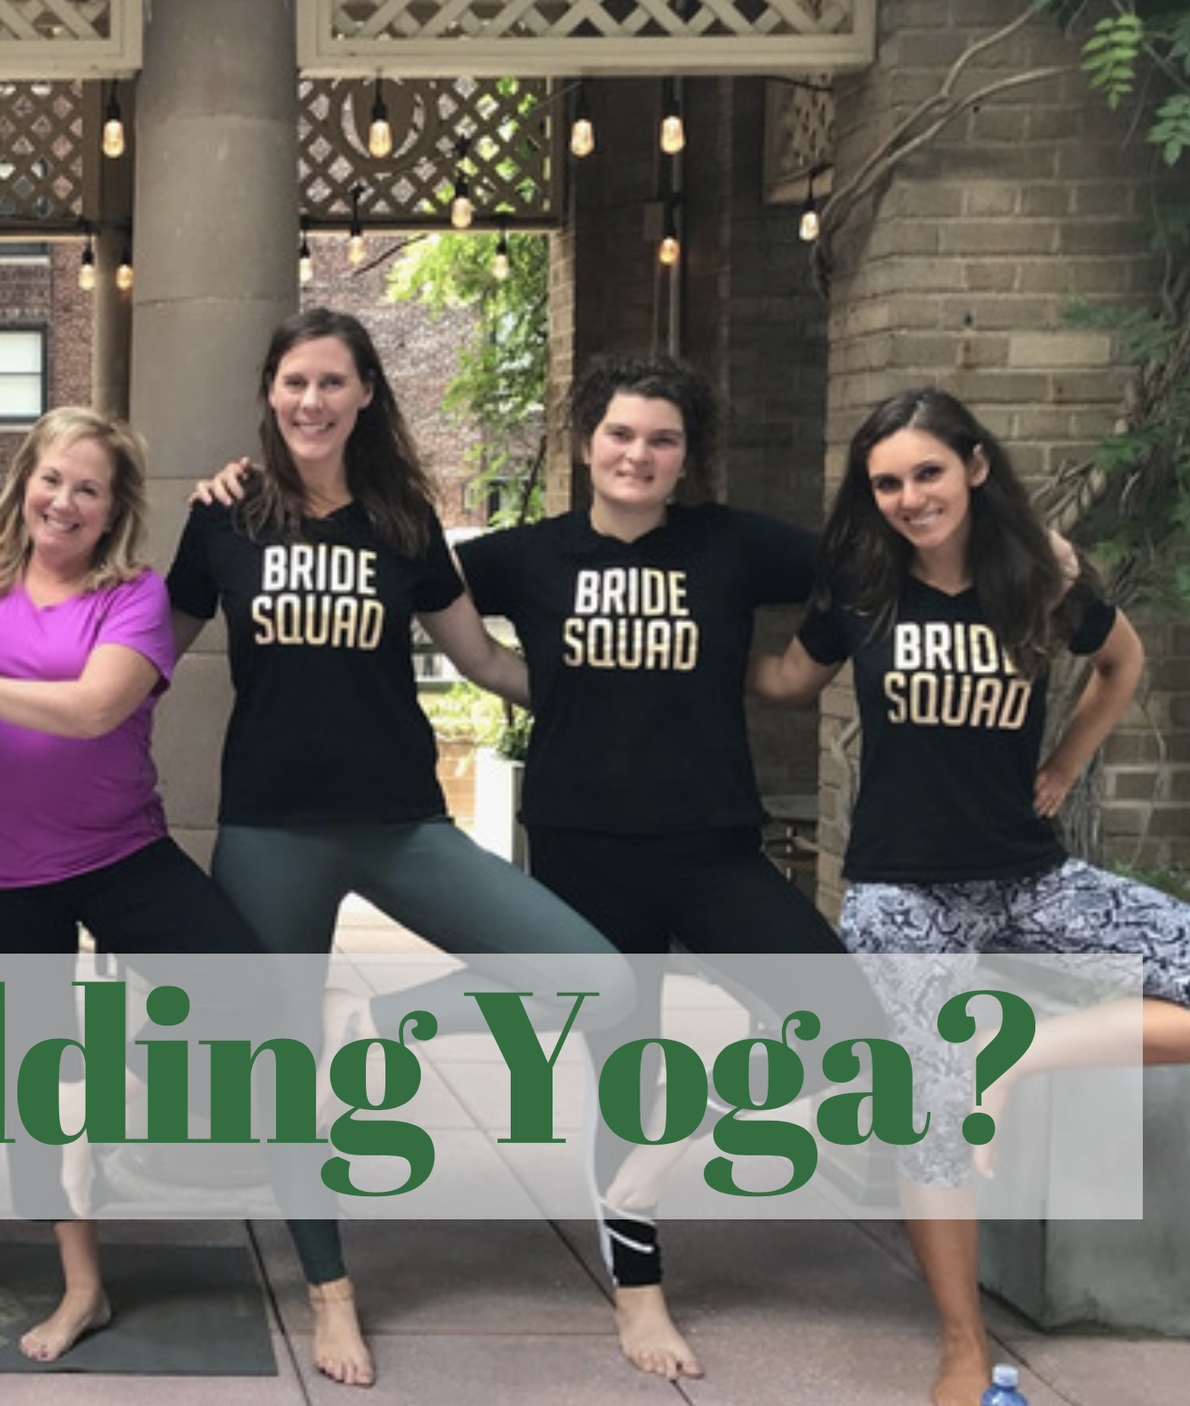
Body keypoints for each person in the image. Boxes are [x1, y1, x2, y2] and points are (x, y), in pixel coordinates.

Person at [171, 307, 631, 1387]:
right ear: (269, 390)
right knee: (279, 1078)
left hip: (400, 822)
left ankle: (390, 1014)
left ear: (366, 392)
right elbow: (147, 646)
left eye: (333, 381)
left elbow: (483, 661)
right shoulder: (225, 517)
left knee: (596, 974)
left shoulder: (400, 516)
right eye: (294, 381)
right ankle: (330, 1293)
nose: (311, 401)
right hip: (269, 829)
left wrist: (616, 694)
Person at [752, 386, 1190, 1406]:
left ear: (974, 467)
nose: (909, 496)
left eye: (926, 473)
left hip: (1029, 875)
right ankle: (961, 1342)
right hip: (903, 891)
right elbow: (783, 682)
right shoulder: (860, 585)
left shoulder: (1042, 578)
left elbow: (1120, 661)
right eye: (888, 482)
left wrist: (1068, 761)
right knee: (930, 1101)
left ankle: (1021, 1050)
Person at [454, 354, 871, 1381]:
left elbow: (865, 567)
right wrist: (512, 676)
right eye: (620, 434)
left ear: (686, 457)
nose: (637, 454)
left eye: (662, 439)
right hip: (582, 847)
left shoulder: (730, 545)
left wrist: (801, 669)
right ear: (586, 441)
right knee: (624, 1069)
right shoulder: (528, 555)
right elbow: (412, 581)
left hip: (712, 842)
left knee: (846, 1018)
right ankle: (638, 1294)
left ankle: (661, 1161)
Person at [0, 405, 267, 1363]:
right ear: (21, 481)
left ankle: (118, 1086)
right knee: (36, 1086)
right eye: (50, 478)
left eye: (88, 488)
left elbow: (92, 710)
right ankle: (82, 1290)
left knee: (243, 989)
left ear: (112, 511)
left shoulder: (134, 598)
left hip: (118, 850)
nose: (63, 501)